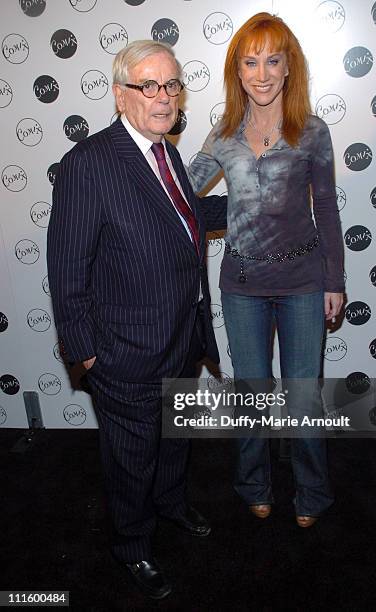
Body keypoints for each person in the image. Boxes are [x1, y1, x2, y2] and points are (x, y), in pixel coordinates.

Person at [47, 40, 226, 600]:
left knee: (174, 440)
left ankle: (170, 505)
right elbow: (68, 267)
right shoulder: (88, 164)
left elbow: (183, 216)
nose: (164, 96)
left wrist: (253, 201)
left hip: (180, 336)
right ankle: (131, 545)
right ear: (121, 95)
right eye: (149, 86)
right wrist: (86, 352)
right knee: (130, 458)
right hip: (122, 350)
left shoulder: (166, 150)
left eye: (172, 85)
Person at [188, 13, 344, 526]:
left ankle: (313, 494)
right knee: (252, 393)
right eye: (250, 62)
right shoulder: (224, 133)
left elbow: (327, 208)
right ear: (237, 70)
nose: (261, 73)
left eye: (272, 60)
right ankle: (253, 484)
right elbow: (180, 190)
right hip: (242, 287)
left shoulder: (313, 132)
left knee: (303, 397)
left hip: (302, 283)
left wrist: (334, 281)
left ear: (288, 67)